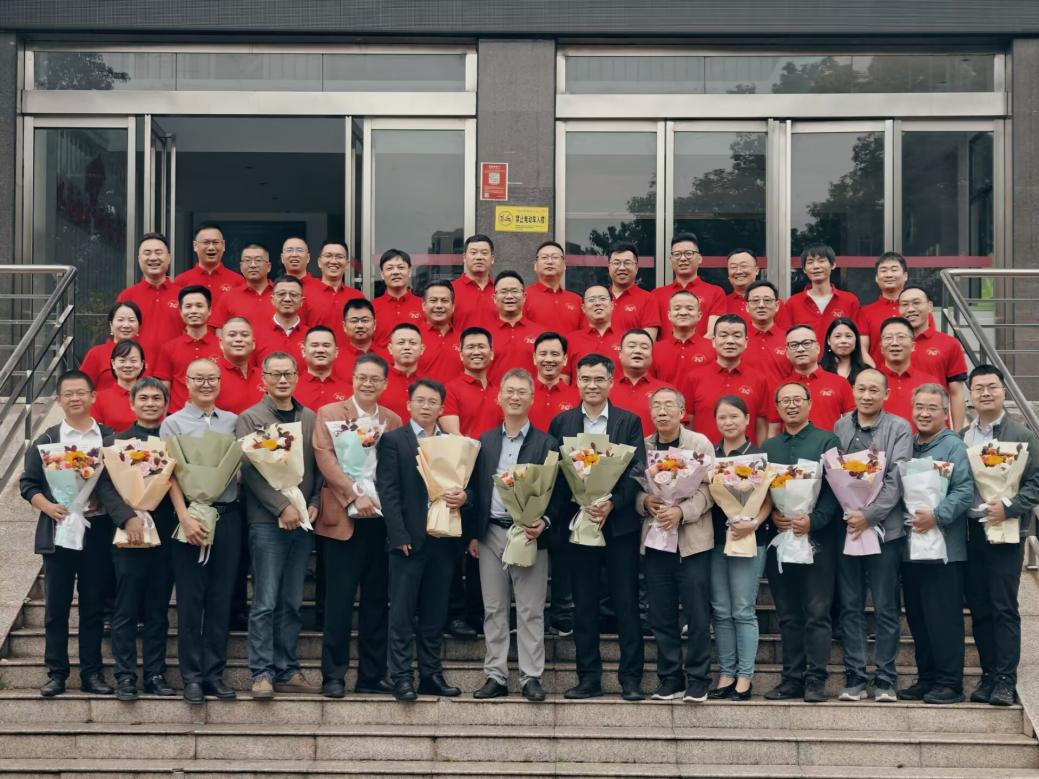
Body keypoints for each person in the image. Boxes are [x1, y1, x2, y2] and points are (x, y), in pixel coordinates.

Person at [548, 353, 647, 701]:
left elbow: (637, 469)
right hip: (579, 525)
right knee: (584, 604)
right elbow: (555, 474)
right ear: (577, 381)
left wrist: (613, 502)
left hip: (619, 526)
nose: (592, 385)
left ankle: (631, 679)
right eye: (586, 379)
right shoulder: (562, 422)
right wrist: (576, 505)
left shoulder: (628, 421)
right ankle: (588, 677)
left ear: (610, 382)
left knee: (626, 603)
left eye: (599, 379)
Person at [20, 370, 123, 697]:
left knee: (93, 605)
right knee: (56, 607)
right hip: (59, 528)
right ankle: (57, 673)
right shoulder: (47, 439)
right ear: (59, 400)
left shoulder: (109, 438)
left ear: (93, 397)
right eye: (69, 394)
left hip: (97, 530)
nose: (75, 398)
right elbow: (28, 484)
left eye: (81, 392)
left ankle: (92, 674)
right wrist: (48, 507)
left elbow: (122, 482)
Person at [314, 353, 403, 698]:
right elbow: (325, 458)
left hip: (380, 523)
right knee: (338, 601)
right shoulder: (330, 414)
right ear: (352, 379)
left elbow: (394, 467)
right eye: (362, 377)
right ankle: (333, 676)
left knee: (377, 601)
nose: (368, 383)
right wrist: (354, 495)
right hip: (342, 519)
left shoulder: (392, 419)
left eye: (375, 379)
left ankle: (372, 675)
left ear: (385, 383)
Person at [466, 369, 557, 702]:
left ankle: (531, 677)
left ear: (532, 399)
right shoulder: (485, 441)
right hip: (490, 532)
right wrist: (473, 534)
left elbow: (558, 492)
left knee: (531, 609)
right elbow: (476, 489)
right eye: (510, 391)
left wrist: (545, 521)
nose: (515, 397)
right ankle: (496, 675)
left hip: (528, 534)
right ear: (499, 397)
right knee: (494, 607)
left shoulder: (546, 443)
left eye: (522, 392)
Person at [238, 352, 321, 699]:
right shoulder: (251, 418)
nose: (282, 380)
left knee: (291, 601)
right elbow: (250, 472)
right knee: (266, 601)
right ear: (264, 379)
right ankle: (262, 672)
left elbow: (319, 467)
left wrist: (314, 503)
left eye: (288, 373)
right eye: (275, 374)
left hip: (302, 521)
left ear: (297, 376)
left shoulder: (309, 417)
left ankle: (288, 667)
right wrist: (281, 507)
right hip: (266, 522)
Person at [380, 378, 467, 701]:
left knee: (435, 612)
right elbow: (388, 491)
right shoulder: (394, 441)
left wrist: (465, 497)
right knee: (402, 614)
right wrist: (398, 534)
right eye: (420, 400)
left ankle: (431, 674)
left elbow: (467, 485)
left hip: (443, 539)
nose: (426, 406)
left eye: (433, 402)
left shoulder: (454, 443)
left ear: (442, 408)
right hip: (408, 541)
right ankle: (401, 676)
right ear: (409, 404)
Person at [160, 358, 241, 704]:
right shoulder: (172, 424)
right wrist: (185, 517)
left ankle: (214, 674)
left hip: (227, 516)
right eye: (198, 378)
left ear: (220, 382)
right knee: (191, 600)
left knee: (221, 598)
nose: (206, 384)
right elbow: (169, 475)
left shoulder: (234, 422)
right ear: (186, 382)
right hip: (189, 517)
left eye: (212, 378)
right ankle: (191, 676)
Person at [832, 368, 913, 703]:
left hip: (884, 531)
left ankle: (885, 678)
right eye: (861, 389)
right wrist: (853, 516)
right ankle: (855, 676)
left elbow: (896, 477)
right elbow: (835, 473)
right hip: (849, 530)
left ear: (886, 394)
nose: (867, 396)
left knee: (885, 607)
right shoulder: (840, 426)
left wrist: (869, 515)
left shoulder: (899, 428)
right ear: (853, 390)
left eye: (874, 390)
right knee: (850, 606)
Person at [962, 365, 1039, 706]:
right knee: (979, 607)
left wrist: (1008, 507)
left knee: (1003, 606)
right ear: (970, 394)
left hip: (1007, 532)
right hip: (971, 532)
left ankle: (1006, 680)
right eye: (978, 388)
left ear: (1003, 390)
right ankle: (989, 674)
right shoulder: (962, 437)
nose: (985, 393)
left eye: (991, 387)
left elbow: (1036, 482)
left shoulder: (1022, 434)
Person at [762, 381, 842, 703]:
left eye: (798, 399)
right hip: (781, 538)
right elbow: (761, 492)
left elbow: (837, 489)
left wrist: (814, 520)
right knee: (787, 613)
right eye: (785, 401)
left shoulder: (827, 441)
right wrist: (772, 516)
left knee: (817, 611)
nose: (792, 405)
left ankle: (816, 680)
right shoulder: (769, 447)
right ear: (777, 408)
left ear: (809, 403)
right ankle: (791, 679)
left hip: (818, 541)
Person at [635, 387, 715, 702]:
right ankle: (670, 678)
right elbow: (633, 489)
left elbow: (711, 490)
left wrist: (682, 511)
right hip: (656, 540)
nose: (662, 411)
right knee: (660, 613)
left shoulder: (699, 443)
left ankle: (698, 678)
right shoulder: (643, 446)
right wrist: (645, 502)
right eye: (657, 405)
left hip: (692, 541)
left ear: (682, 412)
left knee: (697, 613)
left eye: (669, 405)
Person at [104, 377, 178, 700]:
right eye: (144, 398)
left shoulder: (173, 441)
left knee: (158, 608)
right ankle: (125, 676)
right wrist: (127, 517)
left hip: (165, 535)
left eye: (156, 398)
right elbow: (106, 487)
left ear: (166, 404)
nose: (150, 404)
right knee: (126, 608)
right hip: (129, 535)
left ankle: (155, 674)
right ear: (132, 404)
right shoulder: (117, 443)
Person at [899, 384, 973, 705]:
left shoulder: (953, 446)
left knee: (943, 618)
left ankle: (950, 683)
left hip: (945, 551)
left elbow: (964, 491)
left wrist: (937, 516)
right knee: (918, 618)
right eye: (919, 407)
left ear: (945, 413)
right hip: (911, 549)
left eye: (932, 408)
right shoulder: (908, 446)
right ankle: (927, 677)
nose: (924, 413)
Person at [708, 396, 771, 701]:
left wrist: (754, 522)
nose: (728, 422)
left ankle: (745, 677)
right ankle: (726, 673)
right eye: (722, 417)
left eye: (734, 416)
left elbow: (769, 499)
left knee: (743, 609)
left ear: (747, 419)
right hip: (716, 540)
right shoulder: (711, 456)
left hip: (749, 539)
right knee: (721, 610)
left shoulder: (759, 456)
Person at [685, 314, 770, 445]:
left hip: (746, 456)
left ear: (746, 342)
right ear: (714, 341)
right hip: (704, 455)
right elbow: (688, 424)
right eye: (723, 335)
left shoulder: (759, 379)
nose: (730, 341)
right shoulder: (694, 378)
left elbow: (761, 426)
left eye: (737, 335)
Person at [898, 285, 968, 429]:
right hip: (897, 429)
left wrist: (957, 433)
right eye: (904, 304)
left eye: (916, 303)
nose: (910, 309)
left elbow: (956, 393)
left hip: (935, 430)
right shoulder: (890, 345)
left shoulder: (949, 344)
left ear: (930, 306)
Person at [768, 324, 854, 432]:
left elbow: (850, 427)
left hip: (832, 442)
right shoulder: (779, 389)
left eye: (806, 343)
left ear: (818, 348)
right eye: (794, 345)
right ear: (787, 352)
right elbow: (773, 432)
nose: (800, 349)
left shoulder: (840, 383)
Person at [153, 285, 222, 413]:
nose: (194, 311)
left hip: (215, 416)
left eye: (199, 306)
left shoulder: (222, 346)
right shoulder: (168, 348)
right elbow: (164, 389)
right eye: (188, 306)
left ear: (209, 310)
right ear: (180, 311)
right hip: (178, 417)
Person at [117, 233, 183, 359]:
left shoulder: (183, 296)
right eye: (147, 253)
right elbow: (117, 339)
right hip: (137, 367)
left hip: (174, 367)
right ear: (139, 259)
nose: (153, 258)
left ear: (169, 258)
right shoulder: (127, 296)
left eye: (158, 252)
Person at [650, 232, 724, 340]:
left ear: (699, 259)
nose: (683, 258)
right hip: (665, 351)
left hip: (703, 350)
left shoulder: (715, 292)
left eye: (689, 253)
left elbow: (712, 333)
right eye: (677, 254)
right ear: (670, 260)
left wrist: (693, 349)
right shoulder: (656, 295)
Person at [785, 244, 861, 344]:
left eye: (821, 261)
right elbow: (787, 338)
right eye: (810, 262)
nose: (816, 266)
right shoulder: (793, 303)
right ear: (804, 269)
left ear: (833, 265)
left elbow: (857, 337)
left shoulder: (850, 300)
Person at [875, 317, 942, 428]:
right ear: (881, 347)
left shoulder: (930, 383)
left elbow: (940, 426)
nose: (894, 343)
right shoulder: (868, 383)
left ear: (913, 346)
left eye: (901, 337)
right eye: (888, 338)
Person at [441, 327, 503, 437]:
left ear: (492, 353)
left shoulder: (500, 393)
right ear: (461, 354)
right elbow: (453, 435)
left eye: (481, 347)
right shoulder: (449, 391)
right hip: (464, 448)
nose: (476, 352)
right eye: (470, 347)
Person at [610, 328, 671, 436]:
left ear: (652, 354)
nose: (638, 351)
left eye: (644, 347)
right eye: (631, 346)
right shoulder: (605, 388)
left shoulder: (666, 391)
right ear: (620, 353)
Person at [487, 270, 541, 384]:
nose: (509, 296)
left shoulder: (541, 334)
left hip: (531, 394)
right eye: (503, 291)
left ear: (524, 296)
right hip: (494, 394)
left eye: (514, 291)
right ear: (494, 298)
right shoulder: (484, 335)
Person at [650, 291, 715, 384]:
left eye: (690, 308)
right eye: (677, 308)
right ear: (669, 315)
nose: (683, 313)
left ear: (699, 315)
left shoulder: (713, 348)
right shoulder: (655, 350)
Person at [857, 252, 910, 360]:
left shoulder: (917, 311)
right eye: (883, 270)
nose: (889, 275)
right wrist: (873, 370)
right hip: (876, 370)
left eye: (894, 270)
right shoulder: (865, 312)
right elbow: (862, 351)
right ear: (876, 278)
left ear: (905, 276)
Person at [81, 301, 143, 392]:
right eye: (120, 320)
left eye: (131, 320)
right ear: (111, 325)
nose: (126, 325)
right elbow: (82, 388)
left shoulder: (146, 353)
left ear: (139, 326)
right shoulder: (96, 353)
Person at [175, 223, 243, 306]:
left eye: (215, 242)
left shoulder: (238, 281)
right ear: (195, 246)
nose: (211, 247)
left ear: (223, 245)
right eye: (206, 242)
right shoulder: (181, 281)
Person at [210, 243, 274, 330]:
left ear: (269, 267)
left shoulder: (281, 295)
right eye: (247, 260)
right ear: (241, 267)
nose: (253, 265)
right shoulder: (229, 297)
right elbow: (219, 331)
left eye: (258, 260)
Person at [524, 240, 584, 332]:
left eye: (555, 257)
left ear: (564, 265)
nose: (550, 262)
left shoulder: (577, 300)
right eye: (544, 257)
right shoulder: (523, 297)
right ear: (535, 265)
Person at [306, 240, 364, 333]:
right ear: (319, 262)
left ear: (347, 264)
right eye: (328, 256)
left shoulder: (357, 296)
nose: (333, 261)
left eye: (339, 257)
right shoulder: (305, 294)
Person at [741, 280, 792, 381]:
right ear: (747, 307)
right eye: (755, 300)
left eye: (767, 300)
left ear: (777, 306)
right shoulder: (738, 340)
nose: (761, 305)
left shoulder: (789, 339)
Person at [566, 285, 623, 375]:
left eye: (602, 298)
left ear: (612, 305)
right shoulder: (570, 340)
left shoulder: (626, 339)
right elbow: (564, 377)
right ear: (583, 308)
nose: (597, 303)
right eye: (591, 300)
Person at [91, 339, 146, 432]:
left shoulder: (151, 397)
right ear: (113, 363)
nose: (128, 365)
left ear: (142, 364)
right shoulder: (98, 398)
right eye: (122, 360)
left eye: (133, 361)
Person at [607, 241, 660, 338]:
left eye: (627, 263)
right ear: (609, 267)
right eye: (616, 263)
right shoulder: (599, 299)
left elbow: (648, 342)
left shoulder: (648, 299)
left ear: (636, 267)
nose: (622, 268)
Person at [373, 249, 424, 347]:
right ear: (382, 274)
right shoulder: (372, 308)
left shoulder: (424, 306)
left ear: (409, 272)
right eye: (390, 268)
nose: (395, 272)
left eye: (401, 267)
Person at [530, 331, 580, 432]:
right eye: (543, 354)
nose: (548, 359)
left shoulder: (578, 397)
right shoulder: (522, 394)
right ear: (534, 358)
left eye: (555, 354)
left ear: (565, 359)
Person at [417, 281, 462, 384]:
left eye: (444, 301)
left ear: (453, 306)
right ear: (424, 305)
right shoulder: (412, 338)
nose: (439, 305)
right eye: (433, 300)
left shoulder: (463, 340)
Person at [253, 275, 307, 362]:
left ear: (302, 301)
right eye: (281, 294)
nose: (287, 299)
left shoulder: (311, 336)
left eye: (293, 295)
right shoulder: (256, 335)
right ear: (272, 299)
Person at [452, 234, 498, 330]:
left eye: (484, 253)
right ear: (464, 257)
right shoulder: (451, 290)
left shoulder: (500, 291)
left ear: (492, 259)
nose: (479, 257)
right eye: (473, 253)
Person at [294, 326, 344, 411]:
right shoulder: (291, 389)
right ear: (303, 351)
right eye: (315, 345)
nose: (320, 350)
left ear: (336, 352)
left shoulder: (350, 391)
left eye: (326, 345)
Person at [333, 298, 386, 380]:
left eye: (365, 320)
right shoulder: (334, 359)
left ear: (375, 324)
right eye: (354, 321)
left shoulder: (389, 356)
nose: (360, 325)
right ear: (344, 326)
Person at [381, 323, 424, 423]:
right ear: (390, 348)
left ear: (422, 349)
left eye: (412, 343)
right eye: (401, 343)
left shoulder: (429, 384)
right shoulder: (379, 381)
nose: (407, 347)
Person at [819, 317, 873, 386]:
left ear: (856, 340)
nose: (843, 341)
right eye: (837, 336)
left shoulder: (867, 371)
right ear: (828, 340)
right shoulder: (819, 370)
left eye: (848, 336)